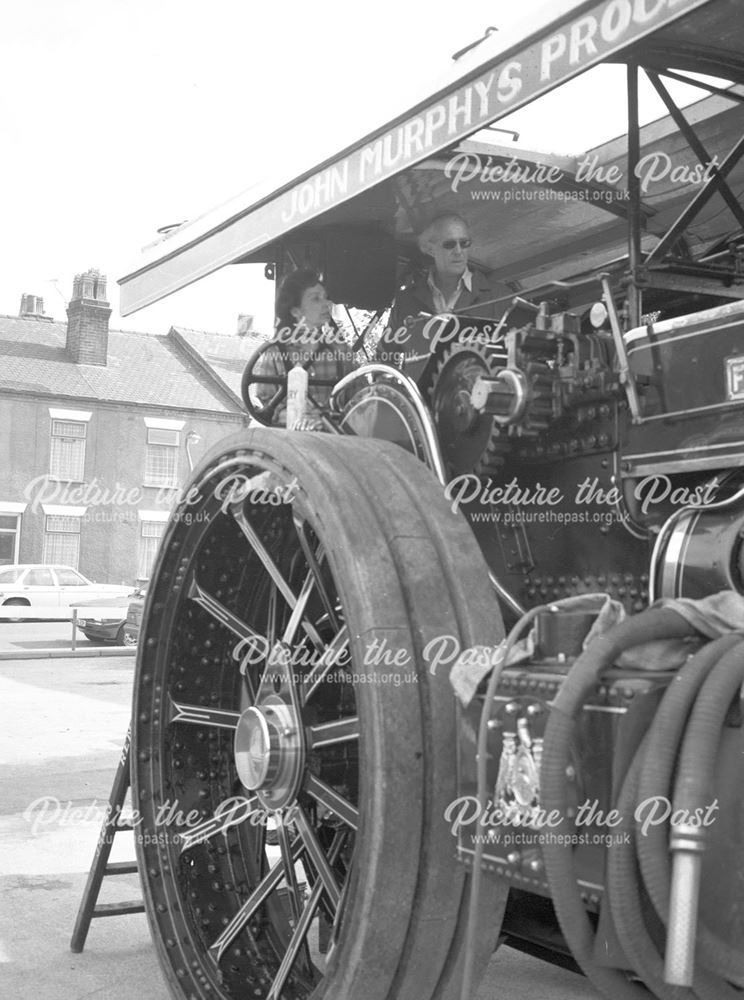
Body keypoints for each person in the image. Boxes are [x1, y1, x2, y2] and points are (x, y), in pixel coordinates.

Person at [253, 269, 354, 427]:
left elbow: (357, 399)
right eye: (316, 299)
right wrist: (289, 415)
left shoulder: (342, 351)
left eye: (326, 298)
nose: (326, 304)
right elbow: (266, 402)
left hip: (333, 438)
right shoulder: (276, 352)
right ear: (296, 311)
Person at [386, 213, 511, 337]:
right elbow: (385, 355)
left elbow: (522, 351)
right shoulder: (405, 302)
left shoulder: (500, 296)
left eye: (464, 243)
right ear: (430, 249)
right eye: (449, 244)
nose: (458, 251)